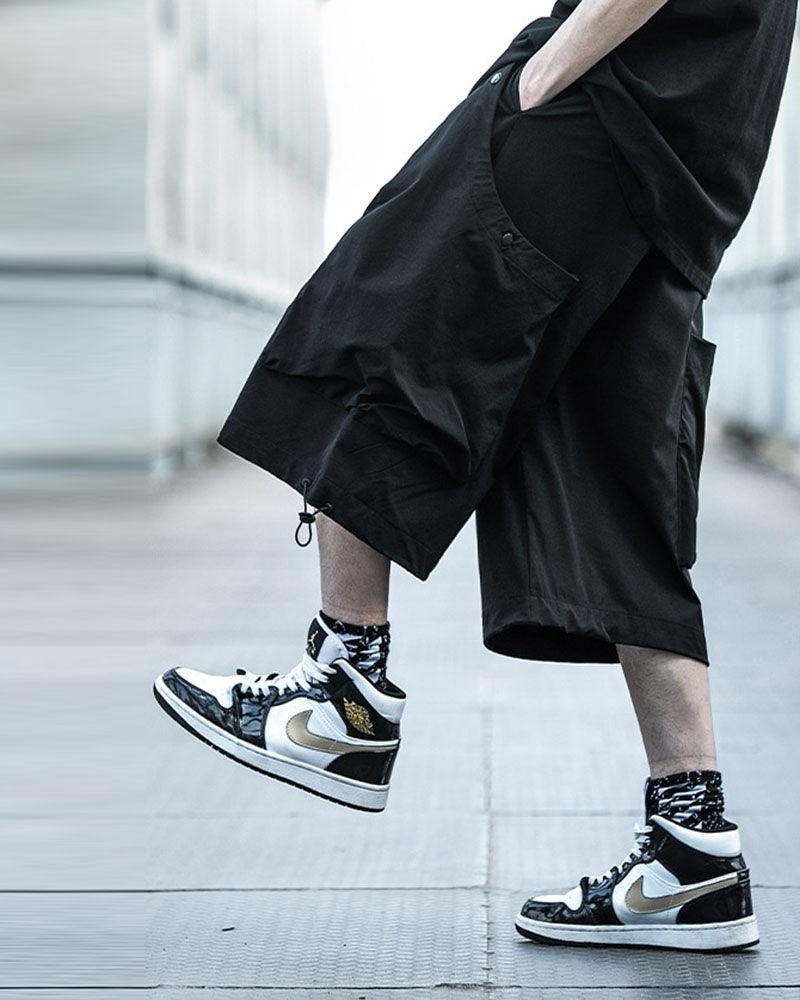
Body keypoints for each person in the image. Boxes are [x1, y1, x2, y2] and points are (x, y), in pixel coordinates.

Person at [153, 0, 796, 951]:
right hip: (697, 150)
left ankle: (341, 688)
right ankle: (692, 849)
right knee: (617, 477)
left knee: (390, 322)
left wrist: (543, 78)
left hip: (604, 104)